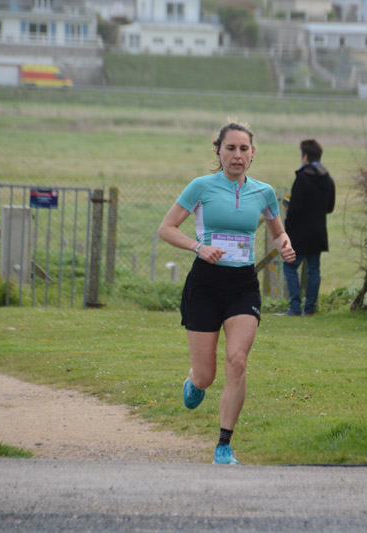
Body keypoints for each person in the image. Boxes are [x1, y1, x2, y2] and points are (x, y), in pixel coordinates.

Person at [157, 122, 296, 465]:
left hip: (242, 286)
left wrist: (284, 244)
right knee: (207, 375)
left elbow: (277, 232)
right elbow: (166, 228)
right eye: (230, 148)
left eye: (244, 149)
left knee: (237, 361)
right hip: (205, 284)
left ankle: (223, 446)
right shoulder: (201, 187)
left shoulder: (263, 193)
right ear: (218, 151)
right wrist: (198, 247)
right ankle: (195, 382)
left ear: (252, 154)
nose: (237, 155)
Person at [278, 139, 336, 317]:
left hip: (300, 233)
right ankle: (309, 309)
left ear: (305, 156)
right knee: (314, 270)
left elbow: (294, 209)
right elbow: (330, 207)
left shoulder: (303, 178)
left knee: (289, 266)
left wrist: (287, 229)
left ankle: (295, 306)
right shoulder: (328, 179)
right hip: (319, 232)